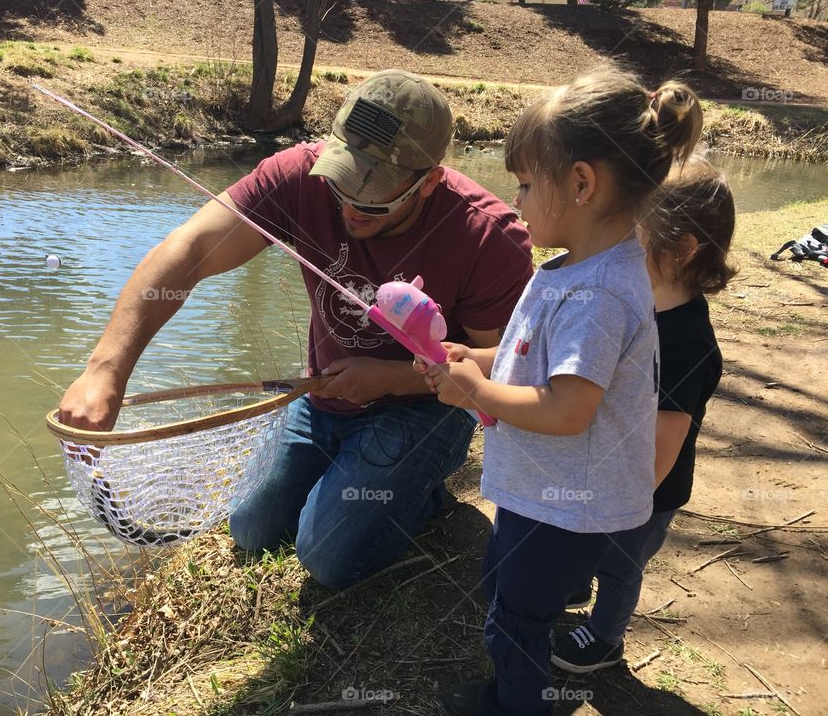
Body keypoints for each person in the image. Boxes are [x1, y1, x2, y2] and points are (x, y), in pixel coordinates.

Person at [58, 69, 533, 589]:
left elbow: (504, 369)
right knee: (254, 531)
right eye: (341, 182)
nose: (350, 206)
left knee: (327, 558)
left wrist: (392, 378)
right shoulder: (297, 176)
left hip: (424, 409)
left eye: (372, 197)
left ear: (429, 182)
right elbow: (188, 250)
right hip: (324, 397)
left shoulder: (488, 238)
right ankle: (362, 482)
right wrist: (105, 370)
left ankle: (422, 491)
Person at [415, 66, 703, 716]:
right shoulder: (581, 269)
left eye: (523, 183)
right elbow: (537, 360)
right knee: (507, 595)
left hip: (562, 506)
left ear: (580, 182)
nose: (513, 199)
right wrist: (480, 358)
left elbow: (569, 408)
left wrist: (475, 394)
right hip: (548, 498)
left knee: (515, 622)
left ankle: (518, 706)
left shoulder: (597, 294)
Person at [550, 161, 736, 674]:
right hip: (607, 475)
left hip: (644, 494)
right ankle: (574, 583)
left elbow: (664, 443)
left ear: (680, 250)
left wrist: (621, 502)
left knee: (619, 565)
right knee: (587, 543)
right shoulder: (638, 304)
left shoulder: (686, 343)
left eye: (632, 236)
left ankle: (606, 637)